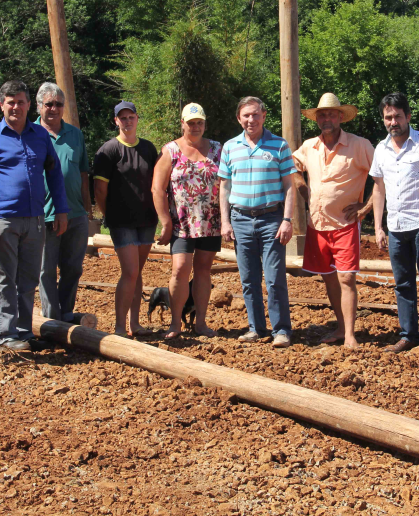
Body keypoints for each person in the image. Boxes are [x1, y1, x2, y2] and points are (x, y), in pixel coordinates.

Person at [0, 80, 69, 351]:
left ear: (29, 105)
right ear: (2, 104)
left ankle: (24, 332)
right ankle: (6, 335)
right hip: (2, 219)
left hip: (35, 218)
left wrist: (60, 209)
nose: (16, 106)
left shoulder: (39, 136)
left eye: (21, 101)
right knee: (4, 277)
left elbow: (54, 174)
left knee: (27, 279)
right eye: (10, 102)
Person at [292, 93, 374, 349]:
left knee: (347, 279)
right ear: (317, 119)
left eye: (331, 114)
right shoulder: (309, 146)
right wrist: (304, 190)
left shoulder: (359, 145)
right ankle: (341, 327)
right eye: (322, 115)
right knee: (328, 278)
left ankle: (350, 335)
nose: (326, 118)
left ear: (341, 117)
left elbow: (382, 176)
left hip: (345, 224)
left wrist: (366, 207)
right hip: (317, 226)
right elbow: (292, 167)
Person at [371, 92, 419, 360]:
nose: (393, 121)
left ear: (408, 116)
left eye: (397, 116)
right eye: (388, 117)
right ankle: (408, 334)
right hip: (395, 227)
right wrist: (378, 227)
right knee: (402, 284)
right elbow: (378, 189)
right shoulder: (380, 149)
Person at [218, 96, 296, 348]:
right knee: (248, 279)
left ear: (264, 115)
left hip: (271, 219)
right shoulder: (230, 147)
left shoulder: (279, 145)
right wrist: (225, 221)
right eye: (245, 115)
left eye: (255, 114)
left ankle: (281, 330)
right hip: (240, 219)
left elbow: (290, 187)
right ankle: (256, 327)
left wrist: (287, 219)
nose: (250, 119)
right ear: (238, 119)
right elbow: (224, 187)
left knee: (274, 278)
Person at [152, 103, 222, 339]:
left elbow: (228, 182)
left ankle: (200, 323)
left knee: (203, 270)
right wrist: (165, 222)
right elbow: (157, 189)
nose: (195, 127)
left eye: (199, 123)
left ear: (205, 124)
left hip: (210, 221)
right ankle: (175, 324)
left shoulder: (217, 149)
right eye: (190, 123)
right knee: (180, 269)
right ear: (182, 123)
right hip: (181, 223)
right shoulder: (170, 150)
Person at [93, 101, 158, 338]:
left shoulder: (149, 149)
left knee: (137, 272)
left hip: (147, 220)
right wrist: (109, 216)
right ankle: (119, 327)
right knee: (129, 271)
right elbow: (99, 190)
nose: (128, 121)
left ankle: (135, 323)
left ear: (137, 119)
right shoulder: (108, 150)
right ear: (116, 121)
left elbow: (156, 185)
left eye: (131, 117)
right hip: (121, 222)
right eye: (123, 118)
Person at [35, 82, 92, 323]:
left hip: (75, 213)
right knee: (46, 270)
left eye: (59, 104)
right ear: (39, 106)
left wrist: (87, 208)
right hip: (43, 213)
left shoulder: (75, 135)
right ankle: (51, 318)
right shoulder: (30, 134)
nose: (54, 109)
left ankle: (66, 312)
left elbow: (82, 173)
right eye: (49, 104)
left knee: (73, 268)